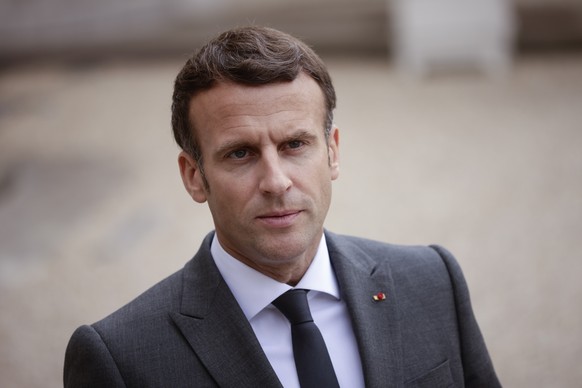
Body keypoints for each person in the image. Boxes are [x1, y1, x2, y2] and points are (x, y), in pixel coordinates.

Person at [64, 26, 501, 387]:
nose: (275, 182)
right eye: (240, 153)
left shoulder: (432, 283)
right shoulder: (119, 359)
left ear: (332, 153)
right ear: (194, 176)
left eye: (295, 144)